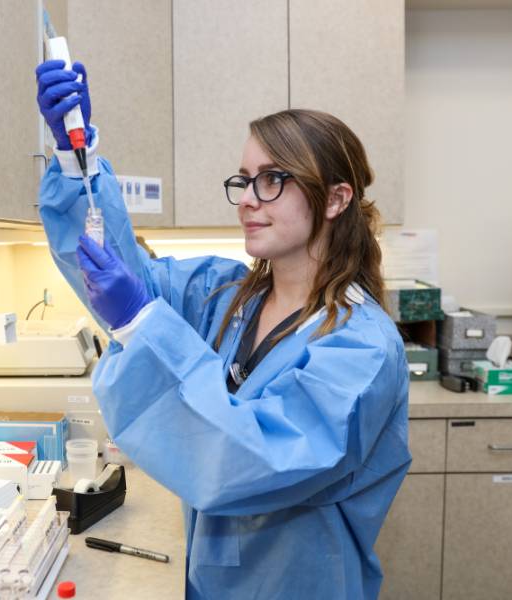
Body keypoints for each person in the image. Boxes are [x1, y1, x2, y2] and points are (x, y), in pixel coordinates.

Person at [35, 59, 411, 600]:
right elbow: (119, 275)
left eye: (273, 179)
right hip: (211, 580)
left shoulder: (360, 348)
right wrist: (78, 160)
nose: (250, 198)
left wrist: (141, 321)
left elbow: (254, 459)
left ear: (335, 198)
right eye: (244, 180)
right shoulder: (225, 296)